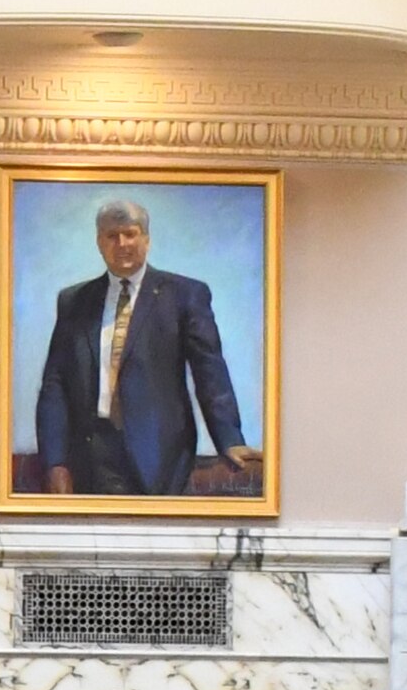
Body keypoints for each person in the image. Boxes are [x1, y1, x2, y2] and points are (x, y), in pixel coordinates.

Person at [32, 195, 247, 498]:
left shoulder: (184, 295)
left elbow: (209, 370)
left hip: (162, 457)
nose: (122, 244)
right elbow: (55, 385)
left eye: (130, 234)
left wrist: (230, 439)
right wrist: (54, 461)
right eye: (111, 236)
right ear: (99, 242)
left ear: (146, 239)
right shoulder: (74, 301)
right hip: (91, 459)